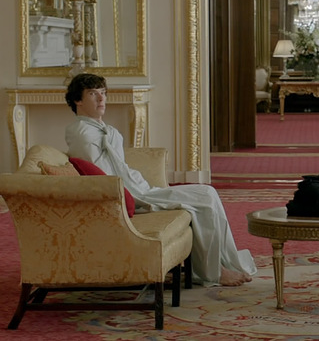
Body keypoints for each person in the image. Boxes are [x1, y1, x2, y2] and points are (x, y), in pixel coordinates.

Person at [64, 73, 255, 286]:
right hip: (131, 195)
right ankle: (214, 272)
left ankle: (224, 262)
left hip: (139, 188)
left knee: (208, 192)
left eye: (103, 93)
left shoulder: (98, 128)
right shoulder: (82, 133)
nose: (101, 99)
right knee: (203, 201)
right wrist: (132, 195)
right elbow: (102, 178)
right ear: (78, 100)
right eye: (93, 94)